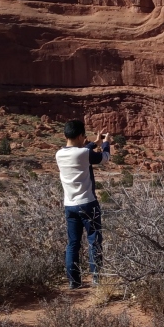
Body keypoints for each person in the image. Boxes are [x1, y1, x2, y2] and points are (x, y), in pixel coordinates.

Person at [55, 119, 111, 289]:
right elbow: (104, 158)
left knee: (73, 244)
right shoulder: (83, 154)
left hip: (69, 205)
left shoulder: (59, 154)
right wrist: (106, 142)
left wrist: (94, 142)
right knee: (94, 241)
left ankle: (74, 281)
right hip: (88, 203)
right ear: (80, 136)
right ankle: (96, 278)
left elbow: (82, 151)